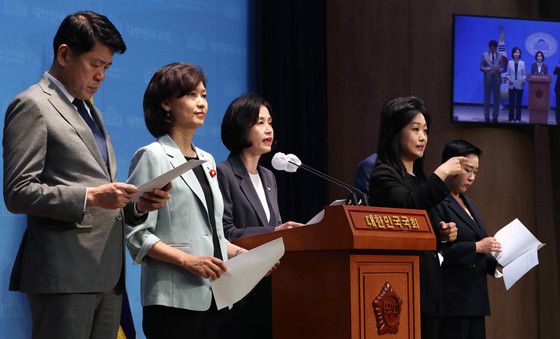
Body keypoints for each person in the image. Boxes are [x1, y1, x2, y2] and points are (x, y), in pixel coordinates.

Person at [2, 11, 170, 339]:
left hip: (106, 274)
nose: (101, 76)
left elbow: (100, 189)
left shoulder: (89, 109)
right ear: (64, 54)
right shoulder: (32, 105)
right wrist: (91, 196)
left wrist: (137, 204)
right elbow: (18, 191)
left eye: (107, 67)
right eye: (95, 64)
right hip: (64, 275)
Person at [125, 62, 247, 339]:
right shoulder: (152, 155)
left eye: (204, 95)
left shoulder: (207, 161)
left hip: (215, 296)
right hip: (172, 300)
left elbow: (211, 235)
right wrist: (187, 261)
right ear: (167, 104)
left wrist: (245, 256)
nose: (201, 102)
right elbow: (135, 233)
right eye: (191, 95)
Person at [368, 96, 461, 339]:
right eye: (415, 129)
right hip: (401, 290)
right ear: (395, 132)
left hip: (429, 288)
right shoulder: (383, 174)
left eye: (426, 131)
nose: (423, 137)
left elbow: (419, 226)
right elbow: (405, 208)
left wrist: (441, 233)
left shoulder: (419, 180)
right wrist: (440, 174)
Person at [217, 93, 304, 338]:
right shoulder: (223, 173)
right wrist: (273, 233)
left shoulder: (268, 177)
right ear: (241, 126)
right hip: (240, 292)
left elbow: (273, 226)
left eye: (270, 122)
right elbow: (225, 232)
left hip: (271, 287)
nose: (269, 129)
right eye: (259, 122)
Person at [435, 140, 501, 339]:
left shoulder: (468, 201)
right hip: (453, 301)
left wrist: (497, 264)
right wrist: (477, 247)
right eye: (468, 170)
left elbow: (480, 245)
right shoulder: (436, 200)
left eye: (476, 172)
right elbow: (439, 252)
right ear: (452, 165)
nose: (472, 178)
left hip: (476, 299)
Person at [480, 40, 502, 123]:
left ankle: (495, 117)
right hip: (487, 79)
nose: (492, 49)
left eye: (494, 48)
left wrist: (499, 70)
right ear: (489, 47)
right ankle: (487, 117)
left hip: (497, 79)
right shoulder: (484, 55)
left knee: (496, 99)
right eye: (491, 48)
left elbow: (502, 68)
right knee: (487, 98)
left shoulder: (500, 56)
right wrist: (486, 69)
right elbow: (481, 67)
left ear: (496, 48)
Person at [506, 47, 526, 122]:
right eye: (515, 52)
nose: (516, 54)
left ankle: (518, 118)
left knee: (518, 103)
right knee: (511, 103)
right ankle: (510, 118)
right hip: (511, 85)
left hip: (520, 85)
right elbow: (507, 74)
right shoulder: (509, 63)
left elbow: (524, 74)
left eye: (518, 52)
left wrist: (524, 79)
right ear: (513, 53)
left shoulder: (522, 63)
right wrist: (509, 78)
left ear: (520, 54)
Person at [554, 58, 560, 124]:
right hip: (558, 89)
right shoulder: (558, 66)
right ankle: (558, 120)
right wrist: (557, 67)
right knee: (558, 105)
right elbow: (554, 72)